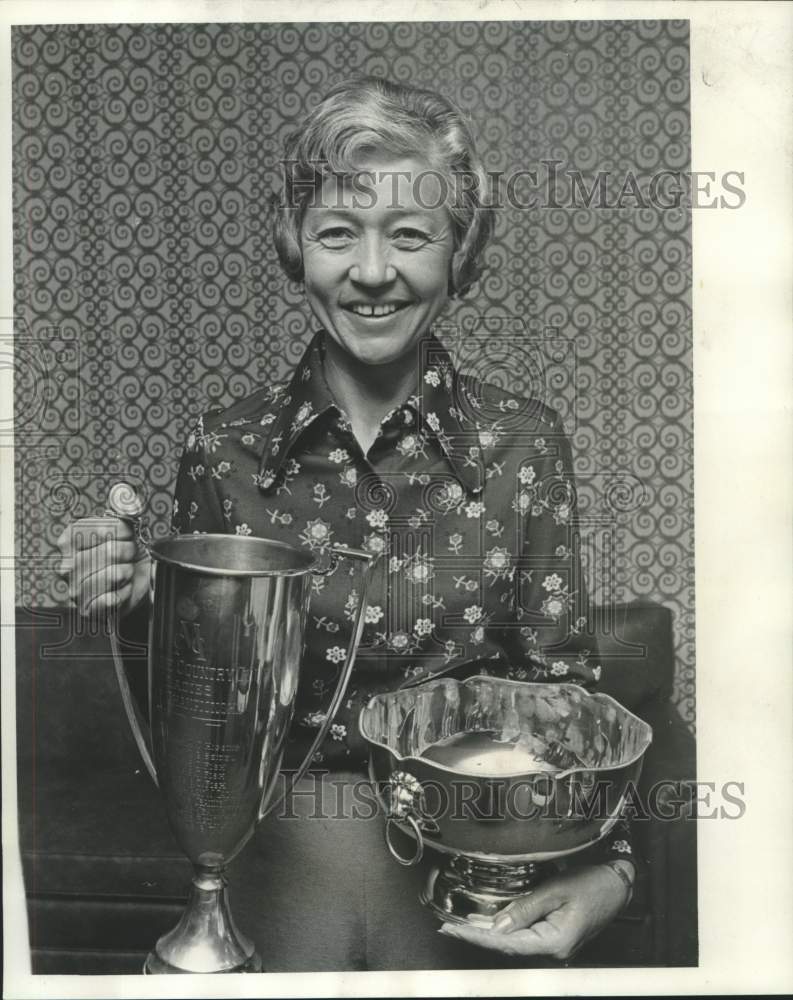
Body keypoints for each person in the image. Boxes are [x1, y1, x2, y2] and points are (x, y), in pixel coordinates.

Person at [58, 75, 636, 970]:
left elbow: (564, 704)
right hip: (277, 848)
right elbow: (203, 721)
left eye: (410, 236)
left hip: (471, 857)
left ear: (459, 254)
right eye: (338, 234)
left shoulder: (525, 445)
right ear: (297, 248)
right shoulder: (223, 450)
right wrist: (141, 604)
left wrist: (611, 876)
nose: (372, 271)